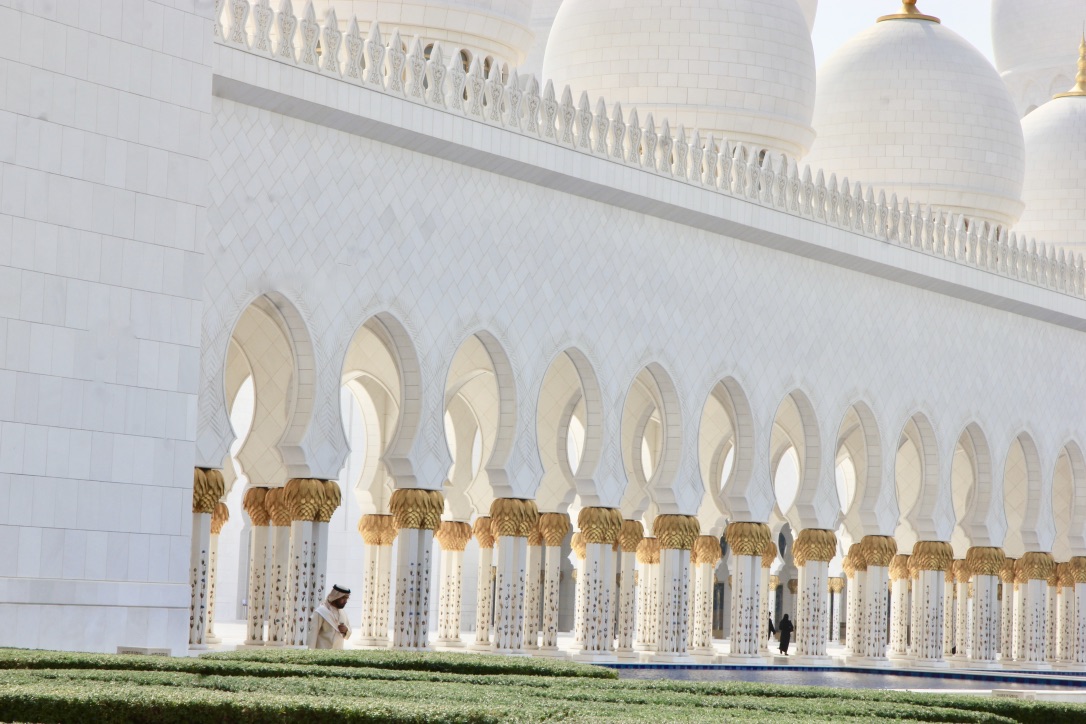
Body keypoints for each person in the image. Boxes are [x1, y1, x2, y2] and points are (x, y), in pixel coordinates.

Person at [307, 584, 351, 649]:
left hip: (338, 655)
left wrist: (346, 630)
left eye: (347, 599)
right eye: (343, 598)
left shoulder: (343, 613)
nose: (346, 601)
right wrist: (311, 655)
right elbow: (313, 635)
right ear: (336, 597)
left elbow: (348, 631)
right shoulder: (321, 612)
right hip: (322, 653)